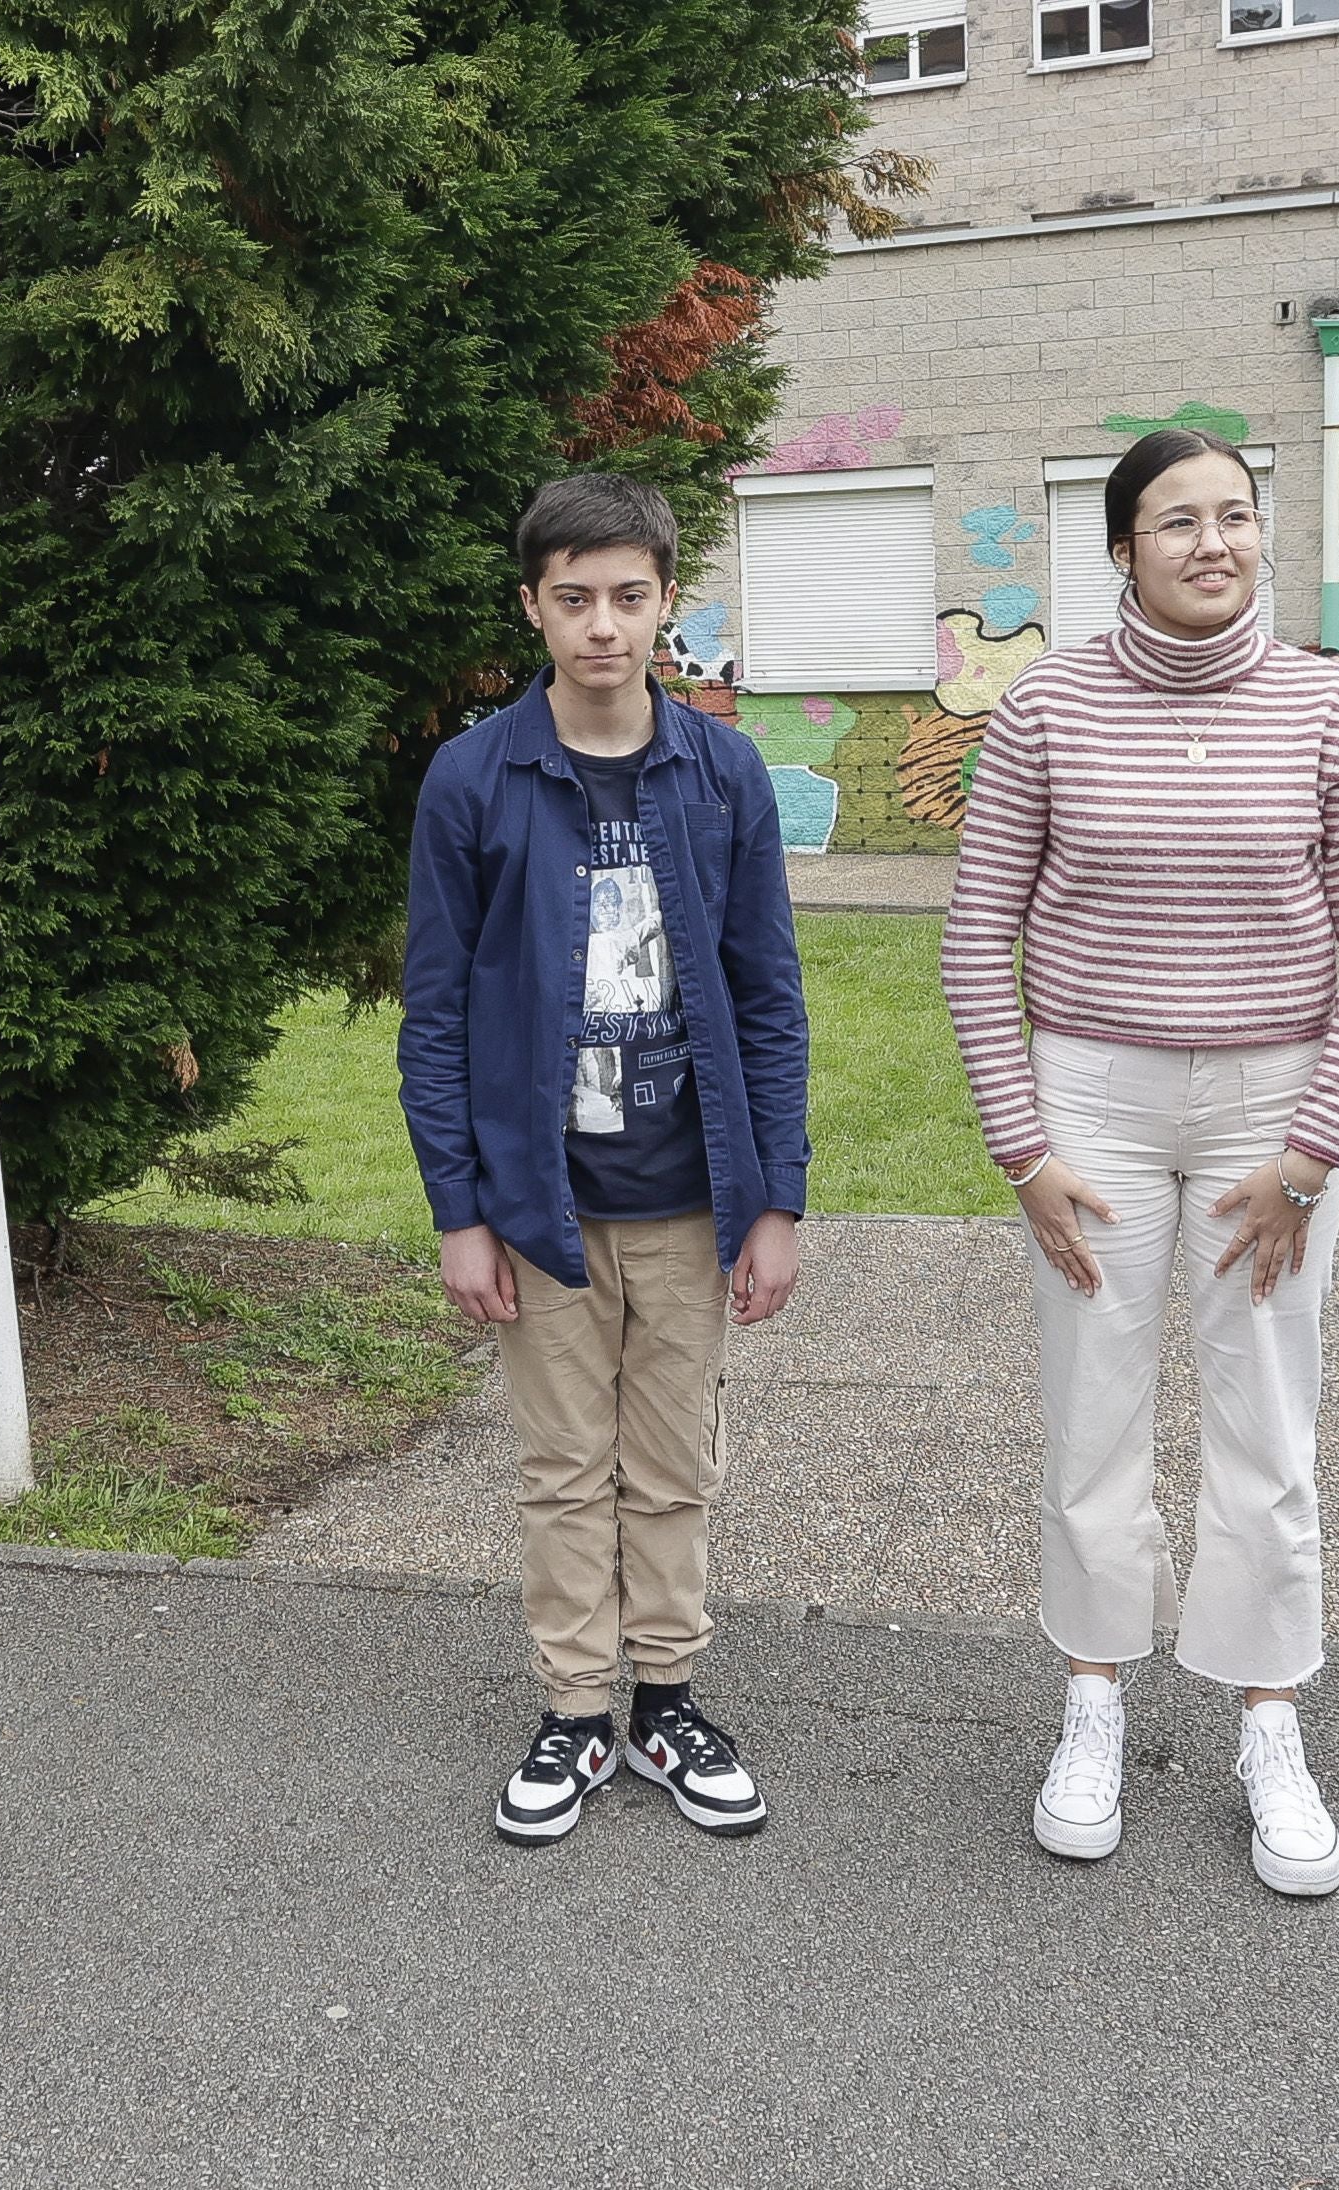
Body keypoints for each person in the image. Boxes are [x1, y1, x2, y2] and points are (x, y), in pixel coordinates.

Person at [938, 427, 1339, 1899]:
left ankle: (1267, 1720)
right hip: (1090, 1098)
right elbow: (978, 940)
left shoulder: (1330, 716)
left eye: (1234, 515)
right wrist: (1022, 1147)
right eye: (1177, 521)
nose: (1213, 542)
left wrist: (1308, 1156)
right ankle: (1093, 1700)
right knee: (1092, 1405)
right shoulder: (1044, 713)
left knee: (1266, 1416)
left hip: (1273, 1113)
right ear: (1123, 551)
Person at [399, 472, 811, 1850]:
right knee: (568, 1464)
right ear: (532, 606)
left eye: (629, 597)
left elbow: (768, 998)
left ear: (666, 607)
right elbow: (441, 1013)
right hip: (541, 1203)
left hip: (695, 1196)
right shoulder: (474, 779)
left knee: (673, 1458)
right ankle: (578, 1709)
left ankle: (670, 1698)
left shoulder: (723, 773)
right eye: (572, 599)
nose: (602, 626)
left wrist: (779, 1199)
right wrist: (461, 1211)